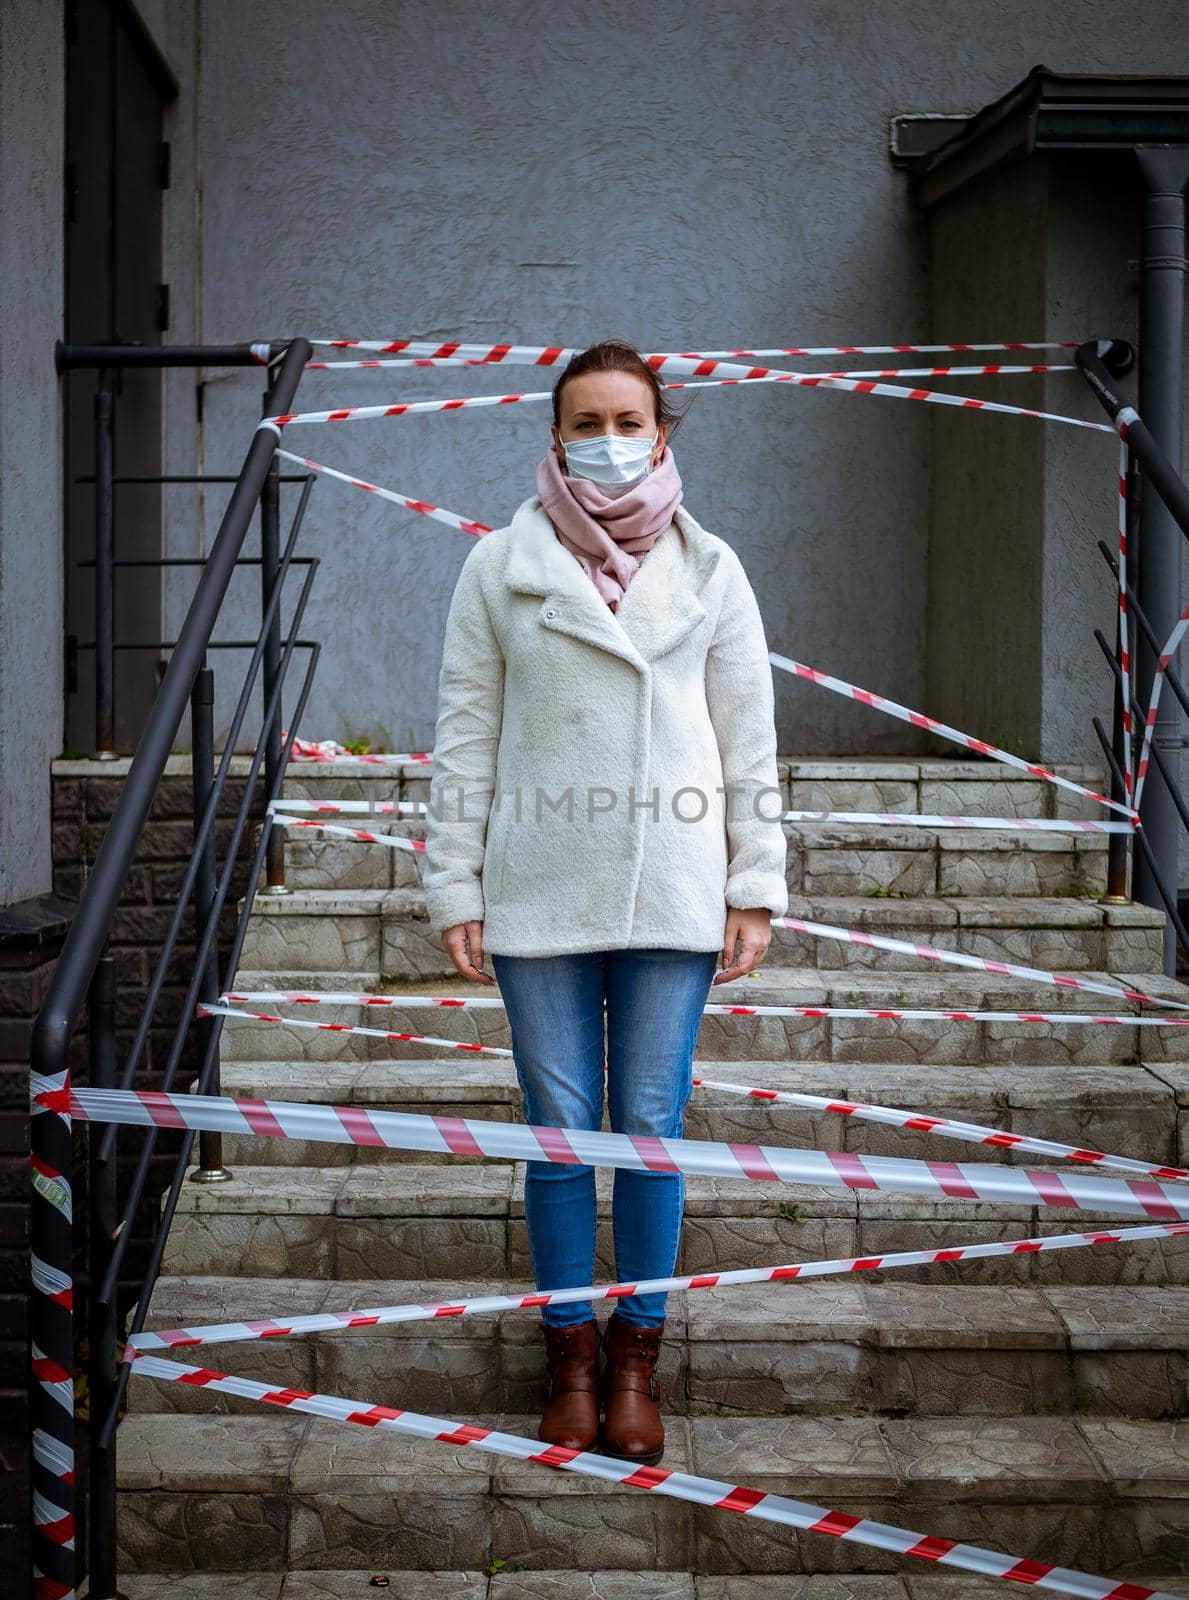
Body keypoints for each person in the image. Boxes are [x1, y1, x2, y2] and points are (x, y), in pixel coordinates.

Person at [422, 339, 789, 1466]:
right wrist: (453, 877)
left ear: (664, 431)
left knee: (651, 1133)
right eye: (589, 419)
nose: (611, 440)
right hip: (539, 889)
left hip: (674, 888)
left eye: (630, 420)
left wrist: (754, 882)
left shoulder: (713, 567)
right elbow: (464, 730)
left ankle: (637, 1363)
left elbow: (748, 733)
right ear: (554, 432)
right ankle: (568, 1360)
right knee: (559, 1137)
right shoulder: (500, 566)